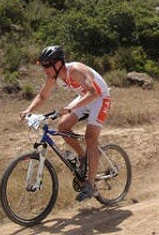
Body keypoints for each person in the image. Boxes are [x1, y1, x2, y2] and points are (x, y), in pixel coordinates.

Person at [20, 46, 111, 201]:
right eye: (43, 66)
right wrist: (28, 110)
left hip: (100, 98)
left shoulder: (75, 70)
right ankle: (83, 157)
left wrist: (70, 108)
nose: (45, 69)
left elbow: (93, 92)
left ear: (58, 63)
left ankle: (90, 185)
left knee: (90, 137)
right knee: (63, 127)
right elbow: (43, 96)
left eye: (47, 65)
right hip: (84, 98)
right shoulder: (54, 77)